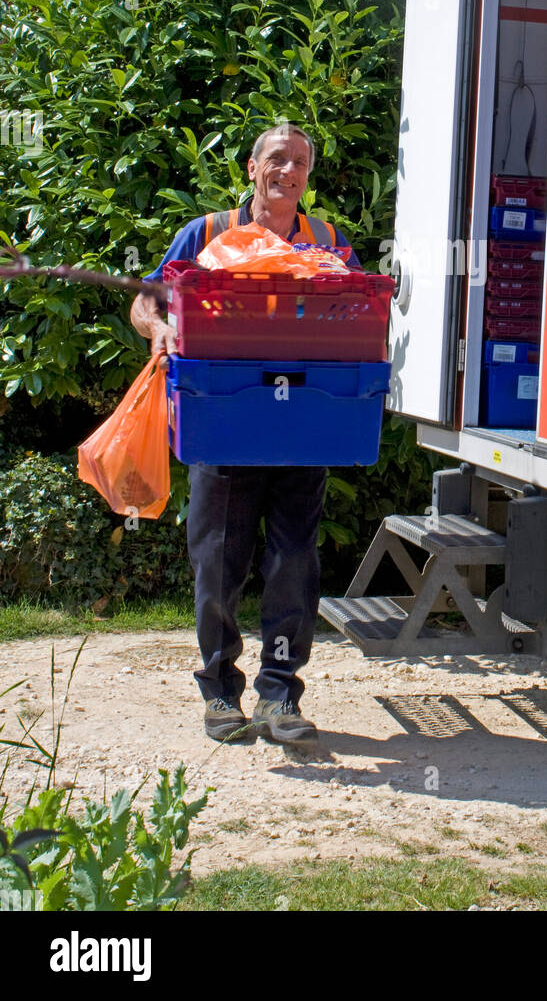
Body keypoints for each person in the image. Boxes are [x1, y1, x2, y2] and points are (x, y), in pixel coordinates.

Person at [131, 123, 360, 748]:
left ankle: (280, 693)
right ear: (253, 167)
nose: (289, 171)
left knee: (293, 561)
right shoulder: (206, 234)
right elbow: (146, 300)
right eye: (278, 159)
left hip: (301, 427)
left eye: (301, 163)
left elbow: (360, 313)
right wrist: (159, 330)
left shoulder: (330, 243)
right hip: (225, 423)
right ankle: (219, 693)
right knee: (218, 559)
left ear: (308, 176)